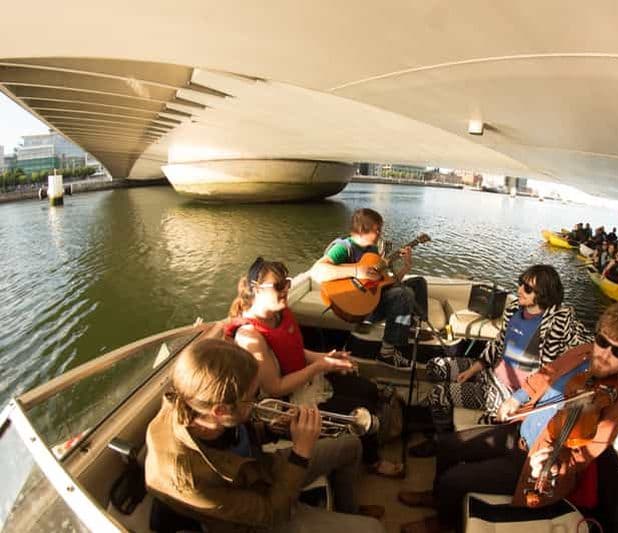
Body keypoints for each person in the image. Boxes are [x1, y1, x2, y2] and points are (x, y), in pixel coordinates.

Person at [397, 304, 618, 533]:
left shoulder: (616, 405)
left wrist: (554, 463)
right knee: (447, 445)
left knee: (455, 479)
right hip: (519, 432)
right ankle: (437, 497)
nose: (604, 354)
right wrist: (515, 399)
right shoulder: (582, 353)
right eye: (602, 342)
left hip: (533, 465)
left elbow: (581, 457)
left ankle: (444, 523)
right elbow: (545, 374)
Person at [144, 338, 384, 533]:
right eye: (253, 397)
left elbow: (237, 438)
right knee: (374, 529)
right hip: (257, 519)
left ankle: (347, 512)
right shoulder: (189, 480)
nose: (258, 400)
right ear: (220, 410)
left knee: (351, 444)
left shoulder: (202, 408)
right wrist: (300, 453)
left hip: (259, 471)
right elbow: (272, 513)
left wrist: (271, 429)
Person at [227, 258, 404, 478]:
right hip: (285, 405)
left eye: (287, 283)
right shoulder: (250, 336)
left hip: (305, 382)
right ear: (256, 290)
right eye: (278, 286)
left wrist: (326, 358)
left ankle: (370, 440)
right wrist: (319, 366)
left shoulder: (277, 315)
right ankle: (373, 461)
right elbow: (275, 388)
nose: (286, 290)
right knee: (361, 410)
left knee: (368, 390)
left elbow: (292, 351)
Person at [411, 265, 593, 456]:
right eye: (520, 283)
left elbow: (586, 344)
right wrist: (474, 369)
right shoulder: (514, 310)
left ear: (543, 294)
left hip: (509, 391)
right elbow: (497, 344)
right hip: (491, 373)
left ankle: (444, 441)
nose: (519, 290)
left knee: (438, 393)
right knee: (435, 367)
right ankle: (438, 416)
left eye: (527, 289)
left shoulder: (558, 322)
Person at [310, 208, 428, 368]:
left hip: (372, 299)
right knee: (404, 293)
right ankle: (387, 353)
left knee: (419, 282)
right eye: (377, 230)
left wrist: (406, 267)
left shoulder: (372, 250)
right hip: (358, 308)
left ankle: (412, 327)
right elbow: (317, 271)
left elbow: (385, 284)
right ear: (361, 230)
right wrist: (357, 271)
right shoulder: (343, 247)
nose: (380, 233)